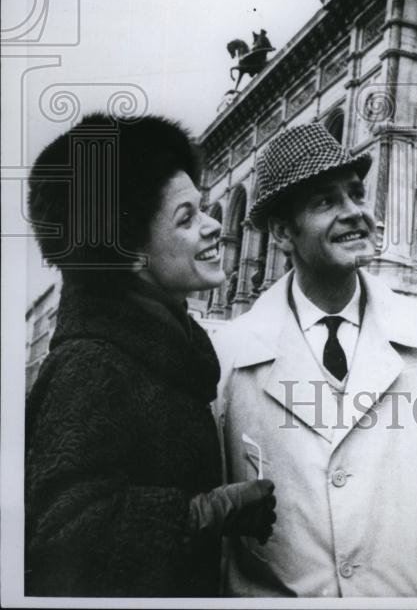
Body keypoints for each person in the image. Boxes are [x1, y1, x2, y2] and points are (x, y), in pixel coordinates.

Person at [214, 123, 417, 598]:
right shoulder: (229, 355)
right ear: (282, 232)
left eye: (357, 194)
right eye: (325, 202)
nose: (355, 213)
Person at [25, 113, 276, 597]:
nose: (213, 227)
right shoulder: (93, 366)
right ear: (131, 252)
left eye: (204, 210)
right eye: (187, 218)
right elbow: (63, 540)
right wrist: (208, 512)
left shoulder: (160, 352)